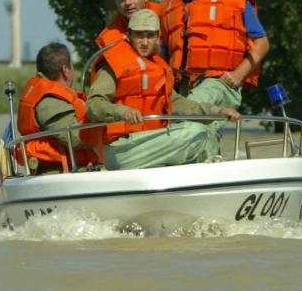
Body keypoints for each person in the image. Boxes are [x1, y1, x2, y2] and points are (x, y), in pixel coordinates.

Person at [85, 9, 241, 170]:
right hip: (121, 148)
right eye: (139, 35)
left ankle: (209, 179)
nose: (145, 42)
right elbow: (93, 105)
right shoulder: (113, 63)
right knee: (195, 132)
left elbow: (178, 103)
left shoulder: (159, 66)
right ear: (129, 35)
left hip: (148, 140)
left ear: (158, 37)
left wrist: (218, 111)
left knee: (206, 131)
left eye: (150, 36)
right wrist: (122, 112)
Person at [161, 0, 269, 109]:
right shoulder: (168, 6)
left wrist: (238, 74)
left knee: (189, 117)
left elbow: (262, 43)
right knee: (191, 130)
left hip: (220, 82)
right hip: (181, 85)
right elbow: (163, 54)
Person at [14, 43, 101, 174]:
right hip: (59, 172)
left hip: (72, 169)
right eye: (71, 66)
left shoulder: (52, 95)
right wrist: (109, 128)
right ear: (65, 69)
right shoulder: (50, 101)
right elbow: (75, 137)